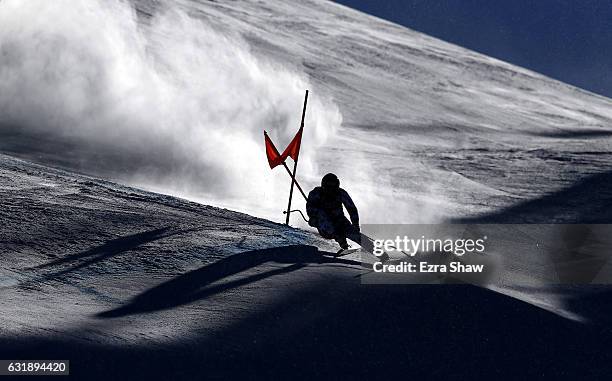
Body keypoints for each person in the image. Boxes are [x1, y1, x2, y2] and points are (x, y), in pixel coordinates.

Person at [306, 173, 362, 252]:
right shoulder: (316, 193)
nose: (330, 189)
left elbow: (351, 209)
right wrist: (314, 219)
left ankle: (379, 252)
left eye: (333, 186)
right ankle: (343, 244)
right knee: (322, 214)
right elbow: (310, 209)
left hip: (340, 222)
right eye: (328, 186)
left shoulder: (341, 193)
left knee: (355, 235)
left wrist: (355, 225)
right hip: (325, 227)